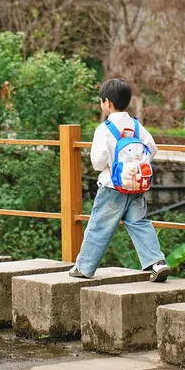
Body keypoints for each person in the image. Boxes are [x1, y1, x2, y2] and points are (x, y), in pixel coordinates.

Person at [69, 77, 170, 281]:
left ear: (107, 102)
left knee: (99, 226)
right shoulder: (136, 126)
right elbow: (152, 149)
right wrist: (135, 164)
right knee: (139, 223)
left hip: (112, 187)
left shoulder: (104, 129)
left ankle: (84, 267)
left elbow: (98, 162)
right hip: (136, 186)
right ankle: (157, 263)